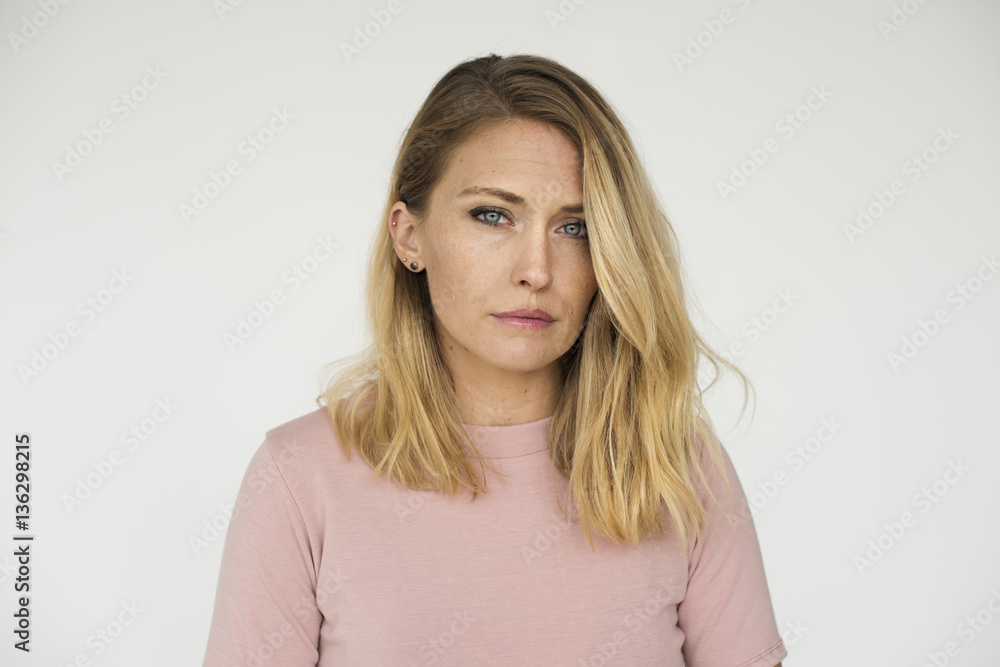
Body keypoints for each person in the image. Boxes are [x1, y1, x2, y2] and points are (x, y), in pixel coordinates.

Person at [202, 53, 787, 666]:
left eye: (576, 227)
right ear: (409, 236)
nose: (535, 270)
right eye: (492, 215)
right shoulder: (300, 478)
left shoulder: (676, 467)